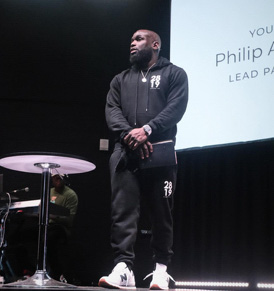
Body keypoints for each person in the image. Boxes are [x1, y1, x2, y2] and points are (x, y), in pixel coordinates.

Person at [98, 29, 188, 290]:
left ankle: (160, 270)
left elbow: (176, 107)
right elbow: (112, 110)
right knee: (122, 212)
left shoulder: (174, 74)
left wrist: (147, 130)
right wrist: (129, 135)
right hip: (126, 152)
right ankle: (124, 268)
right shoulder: (120, 79)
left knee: (162, 213)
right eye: (131, 41)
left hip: (160, 152)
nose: (132, 44)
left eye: (138, 40)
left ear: (155, 44)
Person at [47, 173, 78, 281]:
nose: (57, 180)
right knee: (22, 234)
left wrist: (51, 216)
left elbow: (69, 220)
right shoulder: (48, 191)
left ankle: (57, 274)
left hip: (61, 228)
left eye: (60, 177)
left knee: (50, 236)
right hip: (46, 226)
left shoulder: (70, 195)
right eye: (55, 177)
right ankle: (27, 271)